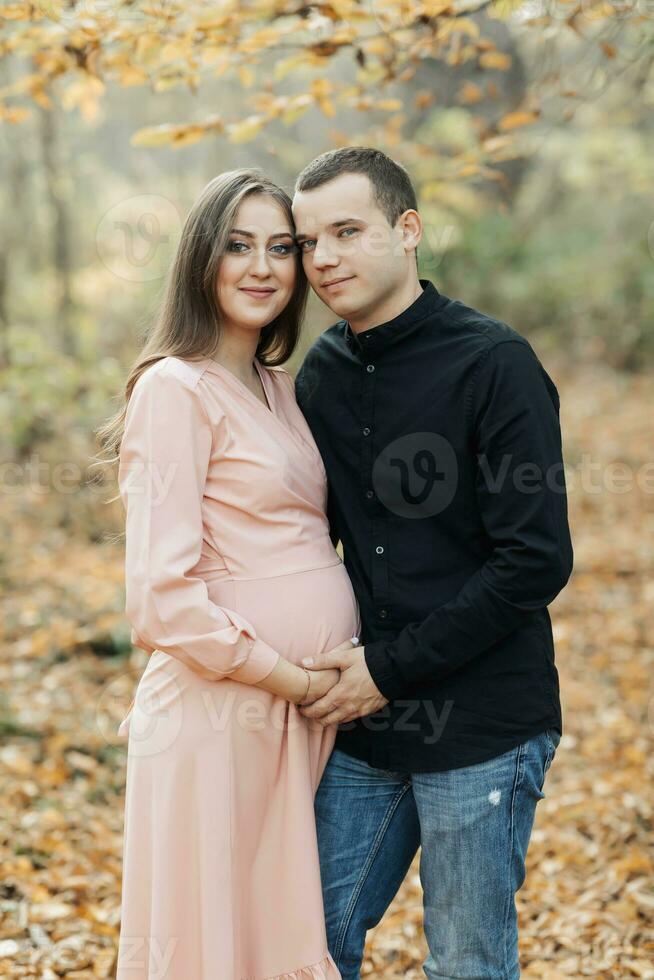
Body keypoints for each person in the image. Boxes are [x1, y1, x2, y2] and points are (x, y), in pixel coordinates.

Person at [292, 147, 573, 980]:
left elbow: (535, 561)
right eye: (309, 242)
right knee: (304, 943)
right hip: (368, 728)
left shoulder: (495, 362)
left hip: (483, 720)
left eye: (348, 231)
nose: (325, 259)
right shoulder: (321, 374)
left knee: (467, 963)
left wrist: (387, 668)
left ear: (407, 230)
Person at [101, 169, 360, 979]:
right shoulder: (175, 389)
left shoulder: (281, 388)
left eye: (282, 248)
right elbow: (162, 600)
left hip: (292, 717)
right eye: (237, 246)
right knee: (216, 946)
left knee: (276, 941)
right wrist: (286, 675)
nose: (261, 267)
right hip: (222, 716)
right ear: (200, 262)